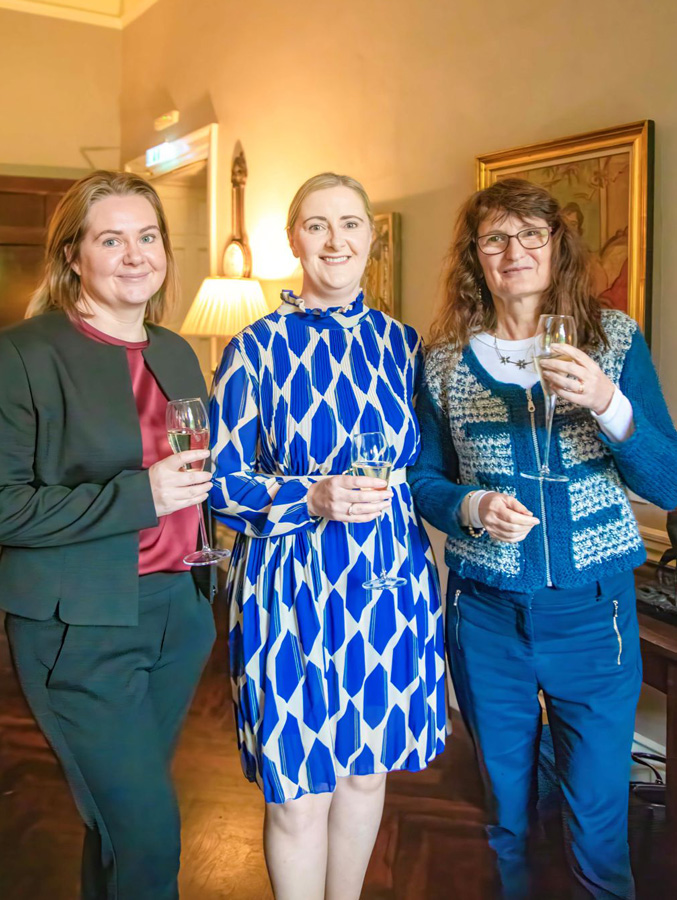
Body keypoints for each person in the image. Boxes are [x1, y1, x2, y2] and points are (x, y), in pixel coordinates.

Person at [408, 177, 677, 899]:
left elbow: (669, 482)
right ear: (475, 256)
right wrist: (471, 506)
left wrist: (608, 403)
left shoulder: (612, 341)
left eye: (531, 234)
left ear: (558, 245)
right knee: (506, 810)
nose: (514, 251)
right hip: (485, 614)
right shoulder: (442, 362)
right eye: (495, 238)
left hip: (594, 614)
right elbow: (423, 479)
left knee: (597, 817)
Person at [209, 172, 446, 899]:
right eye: (316, 225)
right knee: (296, 789)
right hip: (287, 586)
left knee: (367, 771)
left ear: (371, 237)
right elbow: (218, 483)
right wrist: (306, 496)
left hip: (387, 580)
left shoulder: (406, 346)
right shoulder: (254, 348)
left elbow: (430, 467)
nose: (334, 241)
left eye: (350, 224)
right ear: (294, 239)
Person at [0, 171, 217, 899]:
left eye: (147, 236)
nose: (135, 255)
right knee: (149, 834)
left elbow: (198, 472)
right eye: (111, 239)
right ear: (73, 255)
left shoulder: (176, 351)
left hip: (179, 616)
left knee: (120, 827)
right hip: (79, 626)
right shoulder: (21, 355)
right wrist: (139, 496)